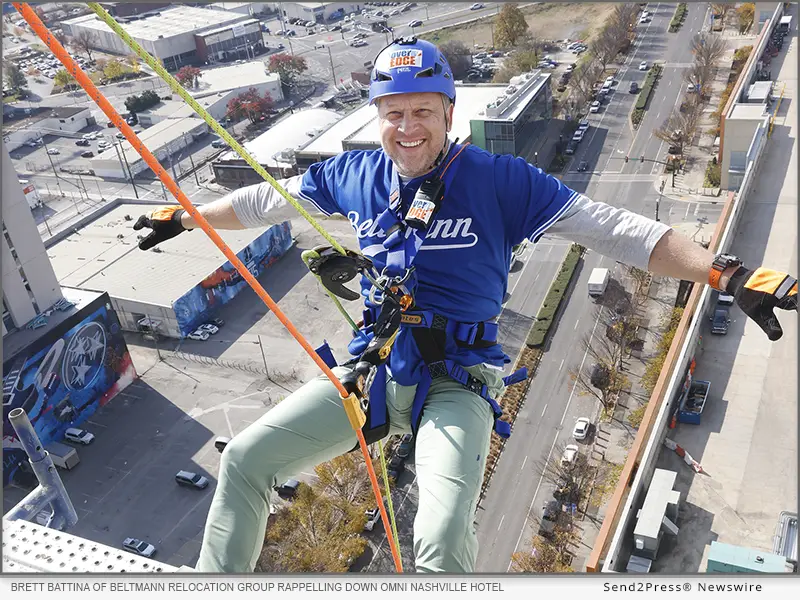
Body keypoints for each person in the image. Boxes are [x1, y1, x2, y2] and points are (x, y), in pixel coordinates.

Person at [133, 38, 796, 573]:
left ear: (449, 113)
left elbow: (614, 230)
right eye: (393, 111)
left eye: (423, 110)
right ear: (377, 117)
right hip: (376, 372)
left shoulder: (500, 181)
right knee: (247, 458)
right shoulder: (356, 175)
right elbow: (266, 199)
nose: (407, 125)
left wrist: (725, 272)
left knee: (442, 535)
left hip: (456, 379)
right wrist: (188, 218)